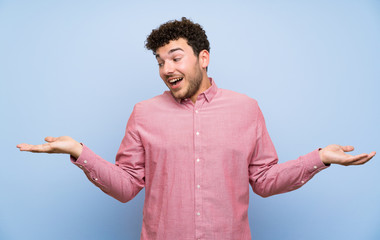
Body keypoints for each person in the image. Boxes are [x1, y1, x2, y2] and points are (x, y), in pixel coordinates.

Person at [17, 17, 375, 240]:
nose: (166, 68)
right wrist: (79, 152)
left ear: (203, 58)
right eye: (159, 61)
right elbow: (127, 187)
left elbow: (264, 181)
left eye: (175, 57)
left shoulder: (246, 109)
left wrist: (320, 158)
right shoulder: (143, 113)